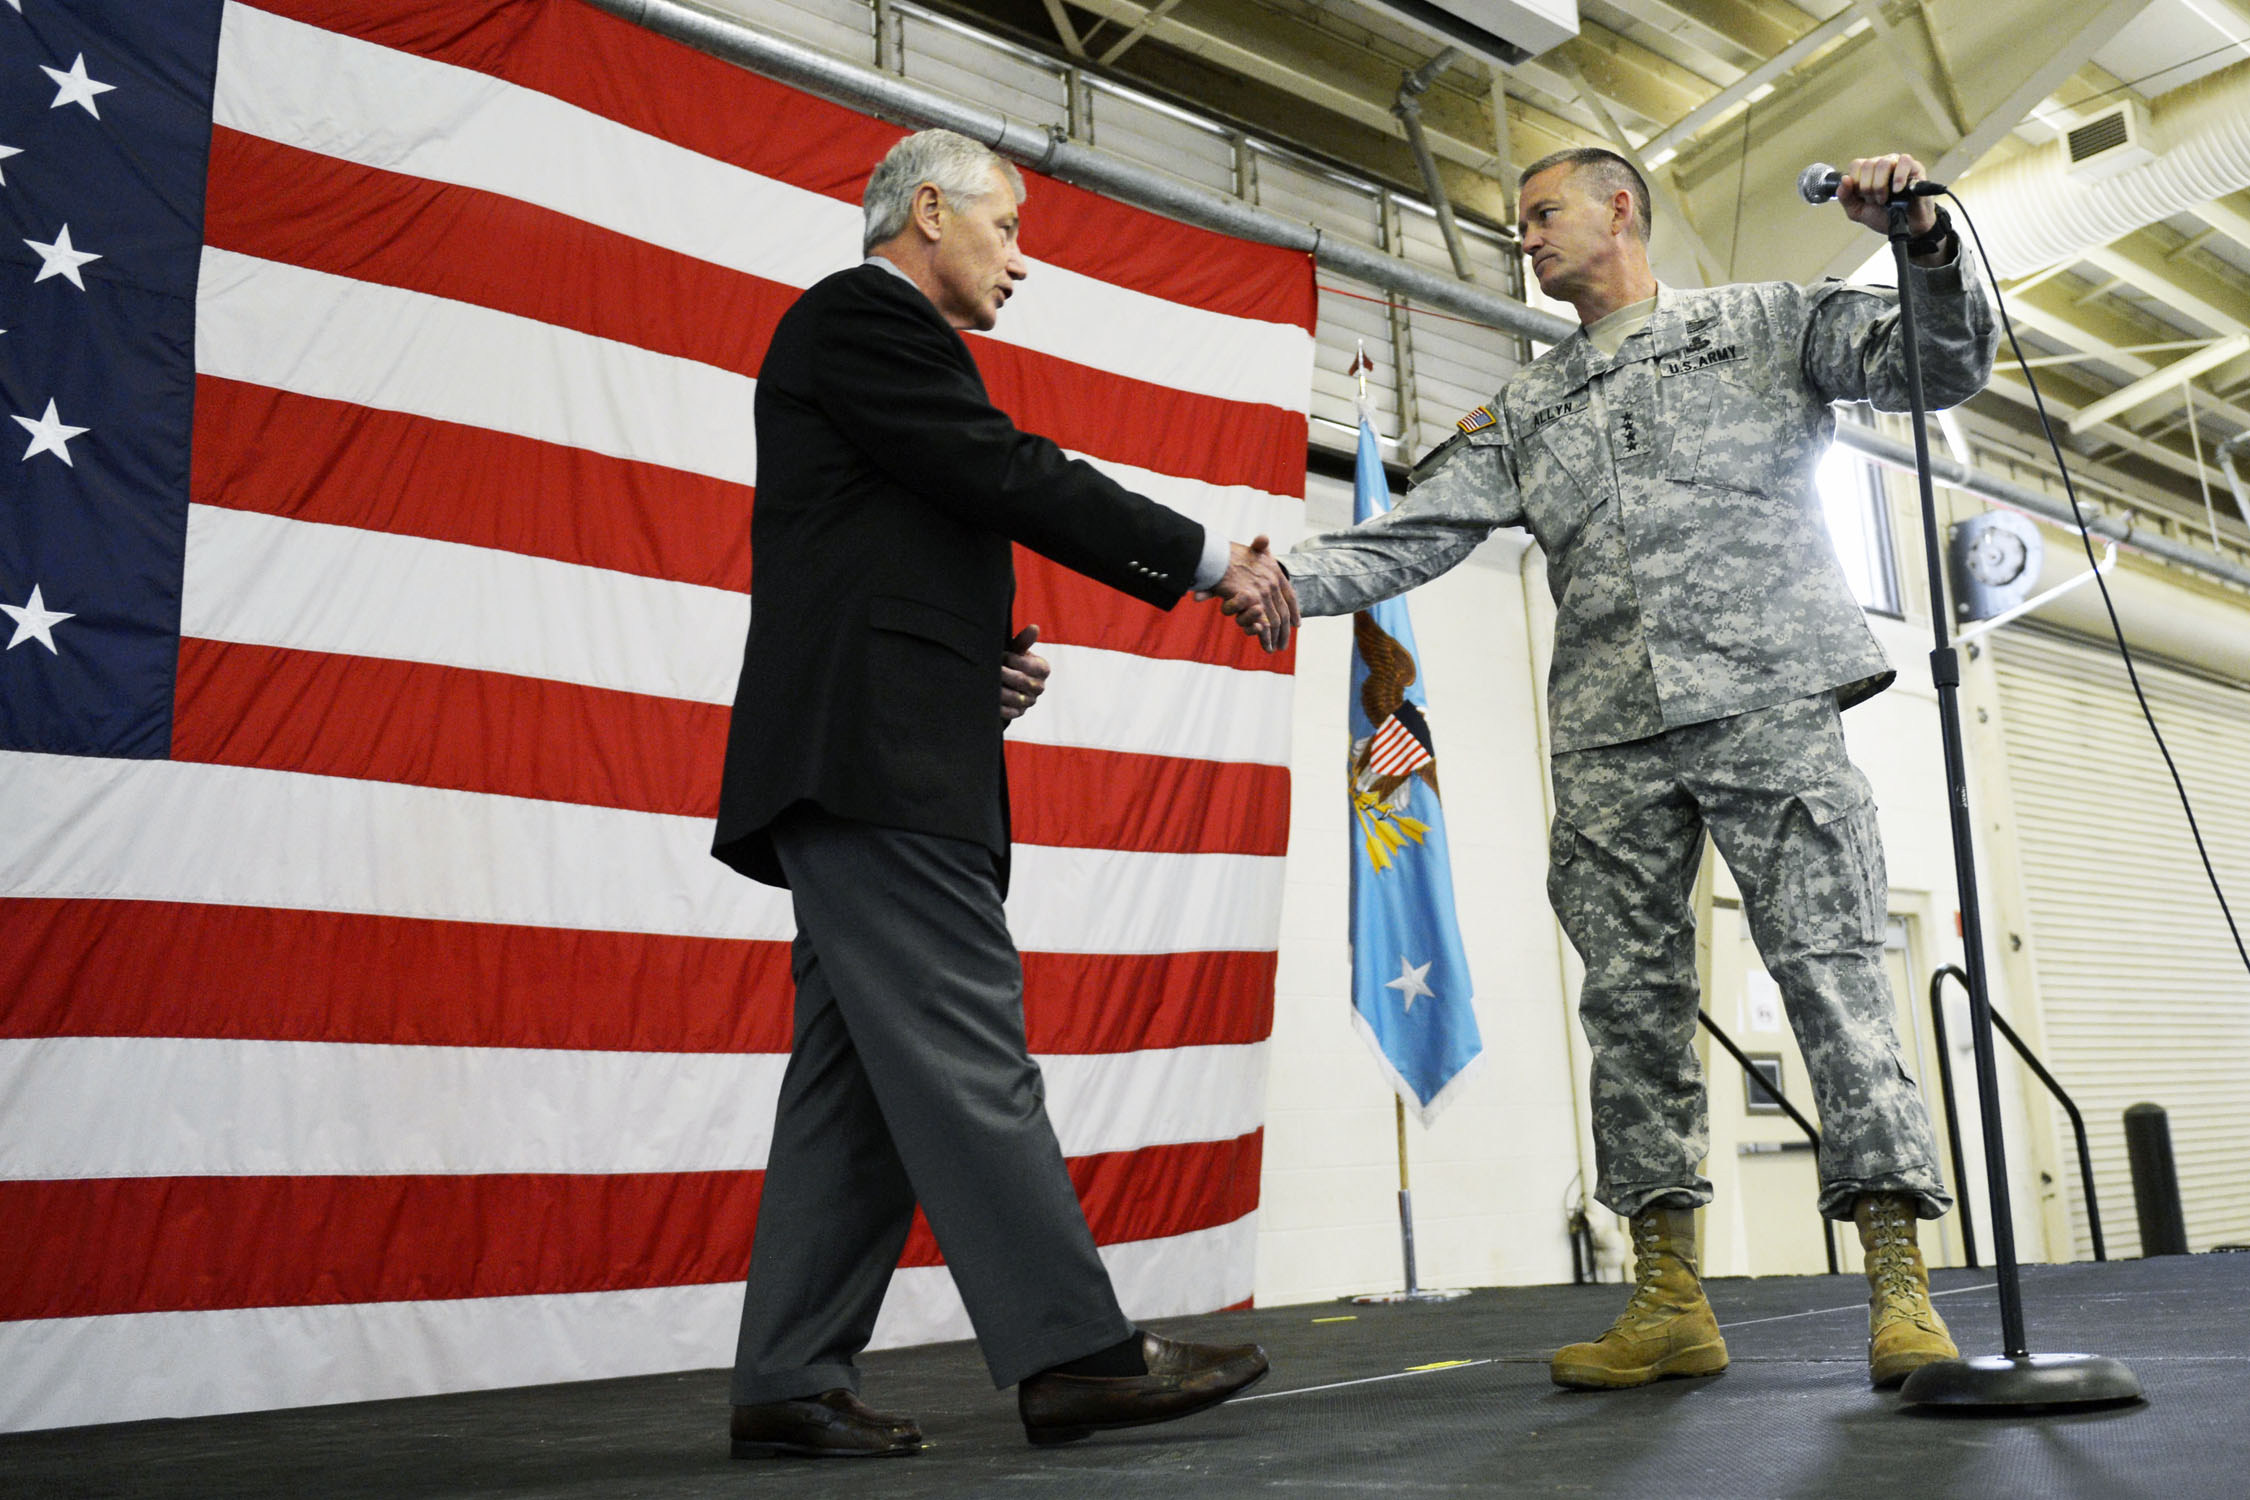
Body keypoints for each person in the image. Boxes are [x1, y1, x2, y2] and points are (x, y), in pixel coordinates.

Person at [1284, 147, 1995, 1391]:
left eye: (1541, 213)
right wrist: (1278, 579)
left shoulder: (1767, 322)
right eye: (1519, 223)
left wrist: (1924, 243)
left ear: (1621, 209)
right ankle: (1668, 1298)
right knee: (1629, 1006)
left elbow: (1940, 367)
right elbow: (1415, 533)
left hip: (1767, 701)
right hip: (1612, 733)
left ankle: (1900, 1291)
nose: (1526, 238)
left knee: (1832, 980)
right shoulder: (1527, 406)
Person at [710, 129, 1292, 1459]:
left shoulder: (865, 351)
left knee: (852, 1086)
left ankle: (788, 1377)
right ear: (927, 210)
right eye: (1009, 227)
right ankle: (1074, 1354)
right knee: (968, 1051)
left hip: (875, 748)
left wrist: (973, 662)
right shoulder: (861, 315)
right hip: (876, 768)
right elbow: (1007, 471)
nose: (1020, 262)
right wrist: (1208, 560)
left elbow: (877, 539)